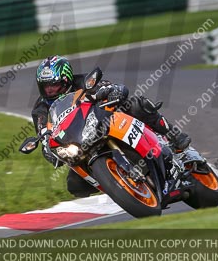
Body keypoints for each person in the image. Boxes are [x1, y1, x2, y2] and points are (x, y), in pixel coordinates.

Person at [31, 55, 191, 198]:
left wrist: (112, 91)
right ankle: (116, 185)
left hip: (104, 121)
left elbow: (107, 87)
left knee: (136, 104)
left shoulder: (82, 81)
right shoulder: (40, 109)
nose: (50, 90)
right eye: (45, 87)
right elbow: (44, 134)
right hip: (79, 141)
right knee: (75, 186)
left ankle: (173, 135)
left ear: (66, 79)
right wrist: (48, 151)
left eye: (54, 85)